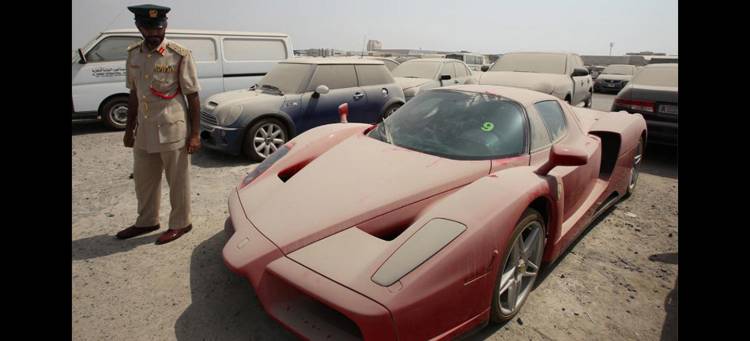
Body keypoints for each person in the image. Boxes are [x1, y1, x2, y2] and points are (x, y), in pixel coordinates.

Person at [115, 4, 201, 245]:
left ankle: (181, 223)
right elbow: (133, 94)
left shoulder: (179, 54)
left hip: (172, 128)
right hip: (144, 129)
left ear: (165, 26)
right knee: (144, 180)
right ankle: (147, 221)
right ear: (139, 27)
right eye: (148, 28)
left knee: (178, 180)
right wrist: (128, 129)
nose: (154, 33)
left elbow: (192, 96)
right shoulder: (133, 54)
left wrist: (195, 134)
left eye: (159, 28)